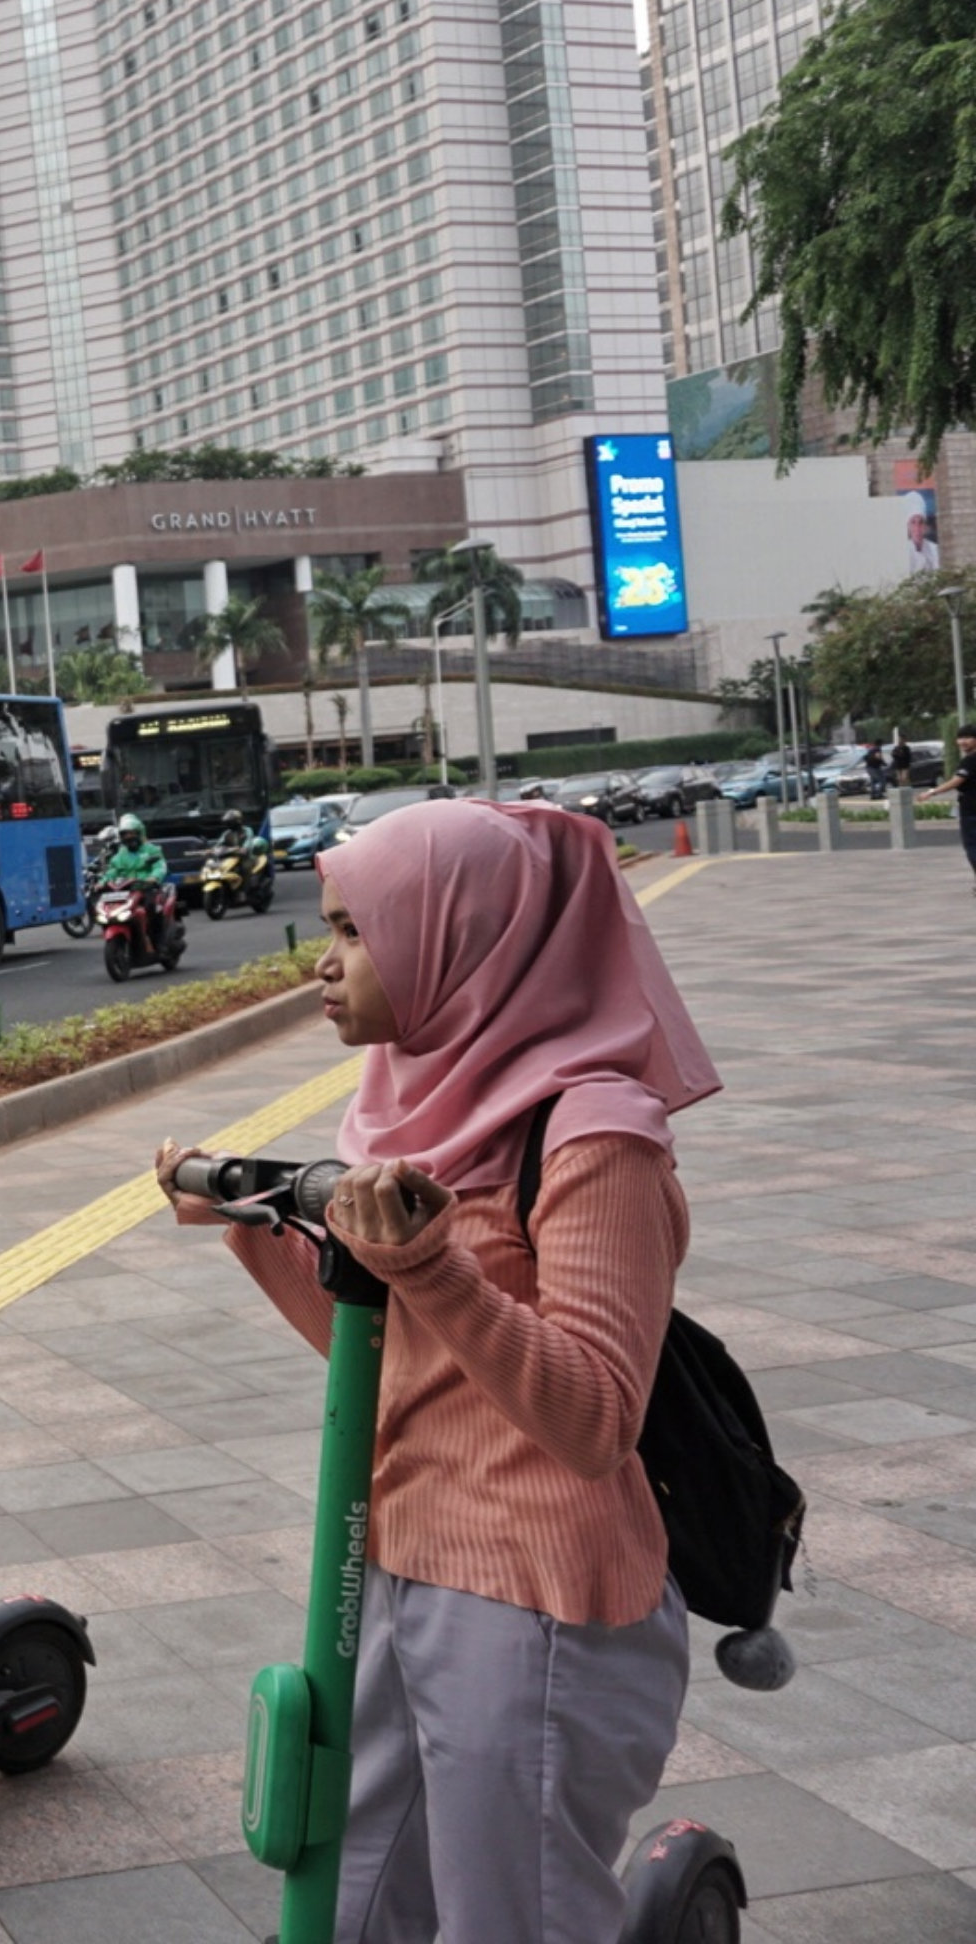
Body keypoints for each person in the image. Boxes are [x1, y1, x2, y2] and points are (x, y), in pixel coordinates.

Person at [156, 799, 719, 1944]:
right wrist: (252, 1221)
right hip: (398, 1562)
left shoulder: (591, 1127)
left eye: (357, 931)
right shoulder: (404, 1101)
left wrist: (430, 1267)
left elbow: (594, 1416)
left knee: (509, 1920)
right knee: (350, 1897)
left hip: (536, 1602)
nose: (324, 961)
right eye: (330, 928)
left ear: (460, 932)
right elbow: (401, 1366)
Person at [97, 811, 178, 955]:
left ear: (140, 832)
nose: (128, 837)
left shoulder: (151, 850)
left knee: (151, 909)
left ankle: (159, 943)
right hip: (126, 890)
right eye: (125, 834)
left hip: (147, 889)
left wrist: (153, 878)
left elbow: (160, 866)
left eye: (131, 833)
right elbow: (112, 872)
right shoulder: (120, 855)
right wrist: (102, 882)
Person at [924, 724, 976, 892]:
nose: (963, 742)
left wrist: (933, 791)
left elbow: (957, 781)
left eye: (968, 738)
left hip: (971, 810)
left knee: (972, 847)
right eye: (960, 738)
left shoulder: (969, 761)